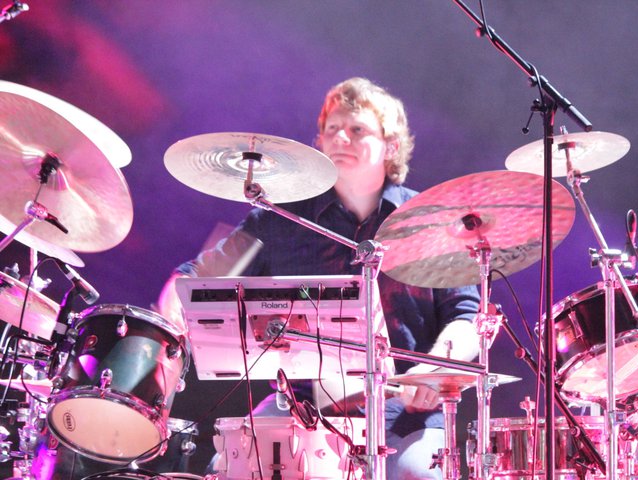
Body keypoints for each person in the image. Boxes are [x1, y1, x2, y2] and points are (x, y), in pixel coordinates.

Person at [158, 77, 480, 479]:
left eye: (357, 129)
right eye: (332, 129)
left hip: (404, 414)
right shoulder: (281, 220)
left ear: (391, 146)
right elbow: (197, 278)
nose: (341, 137)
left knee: (418, 473)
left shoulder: (427, 222)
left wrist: (435, 372)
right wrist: (175, 297)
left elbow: (468, 317)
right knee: (229, 465)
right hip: (301, 407)